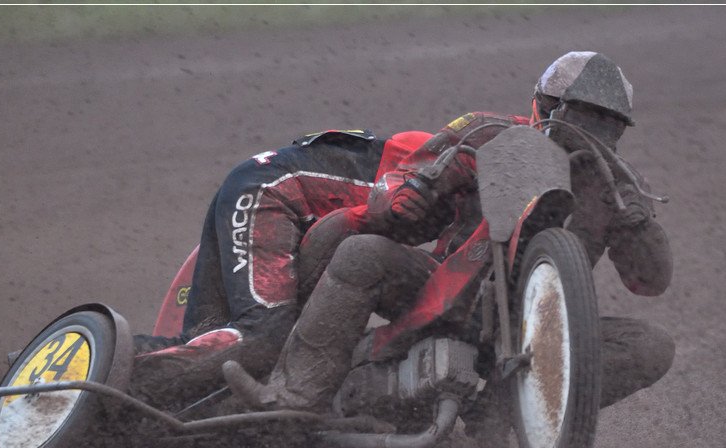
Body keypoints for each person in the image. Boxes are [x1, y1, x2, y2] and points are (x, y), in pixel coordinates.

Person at [224, 51, 675, 420]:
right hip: (450, 288)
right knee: (362, 252)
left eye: (605, 122)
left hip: (539, 325)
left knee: (650, 346)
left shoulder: (617, 185)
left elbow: (650, 281)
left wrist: (640, 225)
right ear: (545, 105)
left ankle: (502, 413)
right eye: (581, 114)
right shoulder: (486, 132)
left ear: (618, 130)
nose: (588, 130)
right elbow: (408, 177)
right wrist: (409, 195)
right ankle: (293, 397)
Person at [129, 128, 431, 411]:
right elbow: (348, 224)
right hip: (270, 191)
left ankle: (136, 413)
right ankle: (103, 374)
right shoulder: (452, 159)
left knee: (208, 341)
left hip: (266, 188)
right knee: (263, 338)